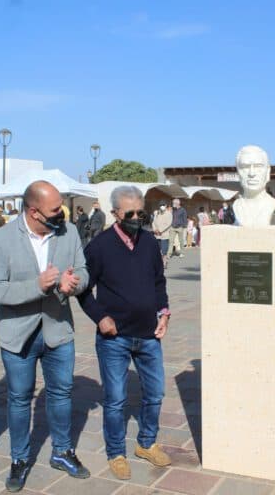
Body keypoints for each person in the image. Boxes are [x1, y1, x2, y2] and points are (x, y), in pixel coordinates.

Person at [0, 181, 90, 491]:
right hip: (18, 335)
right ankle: (19, 459)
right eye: (55, 209)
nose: (62, 213)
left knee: (62, 393)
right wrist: (37, 286)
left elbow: (83, 271)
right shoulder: (2, 238)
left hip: (59, 331)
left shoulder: (69, 232)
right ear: (34, 212)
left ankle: (62, 452)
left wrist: (74, 283)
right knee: (19, 399)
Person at [77, 186, 171, 480]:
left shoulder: (149, 242)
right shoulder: (99, 246)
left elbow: (158, 281)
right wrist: (100, 317)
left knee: (155, 393)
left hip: (148, 335)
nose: (135, 218)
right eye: (129, 213)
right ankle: (116, 453)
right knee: (115, 399)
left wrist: (164, 312)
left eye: (140, 212)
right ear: (115, 213)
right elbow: (82, 290)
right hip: (114, 339)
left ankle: (146, 443)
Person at [232, 145, 275, 227]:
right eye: (245, 167)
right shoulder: (236, 205)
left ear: (268, 172)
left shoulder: (271, 203)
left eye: (258, 166)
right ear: (238, 173)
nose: (251, 173)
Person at [152, 201, 172, 268]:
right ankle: (159, 262)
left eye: (163, 205)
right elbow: (153, 222)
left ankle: (164, 262)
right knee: (158, 249)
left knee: (164, 250)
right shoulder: (157, 213)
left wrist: (160, 230)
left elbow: (168, 224)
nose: (162, 206)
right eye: (161, 205)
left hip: (164, 235)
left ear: (166, 205)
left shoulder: (169, 214)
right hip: (157, 235)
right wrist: (154, 229)